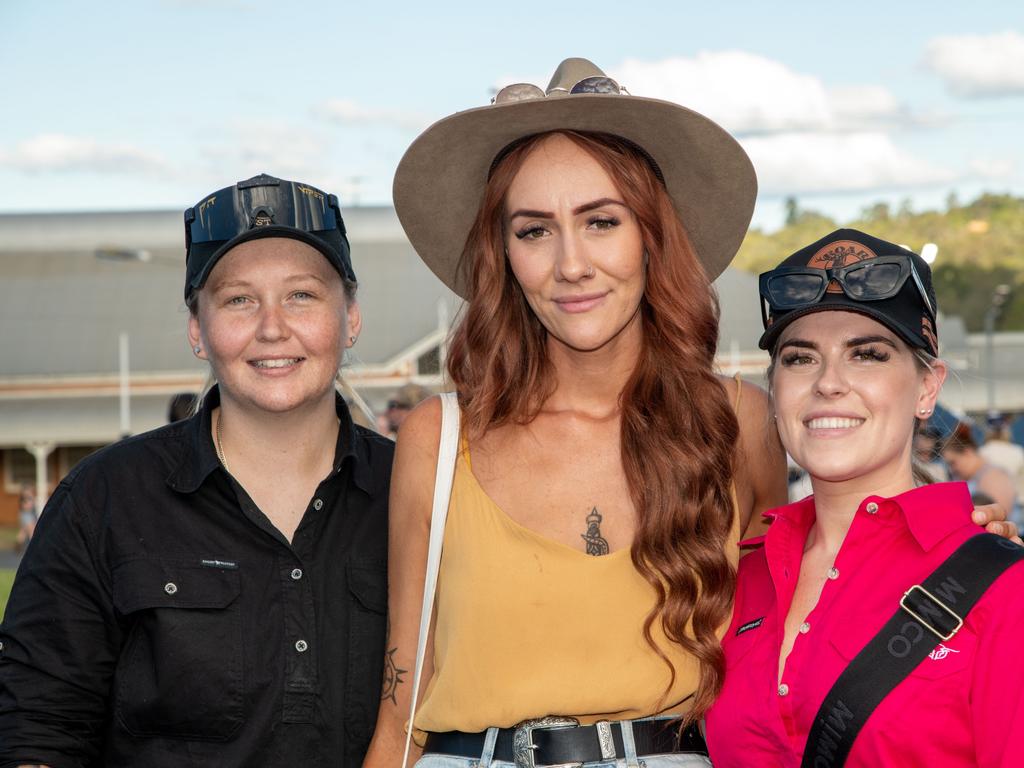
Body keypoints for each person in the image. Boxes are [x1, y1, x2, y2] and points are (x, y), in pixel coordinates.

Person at [365, 56, 791, 768]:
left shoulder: (739, 423)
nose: (571, 264)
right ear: (502, 255)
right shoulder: (439, 439)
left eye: (600, 221)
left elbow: (797, 634)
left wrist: (958, 553)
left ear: (652, 236)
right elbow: (401, 706)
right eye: (534, 230)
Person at [0, 174, 393, 767]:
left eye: (302, 295)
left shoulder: (417, 492)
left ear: (351, 318)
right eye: (238, 299)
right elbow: (37, 723)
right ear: (197, 331)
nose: (272, 327)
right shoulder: (104, 496)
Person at [705, 229, 1024, 766]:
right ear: (775, 389)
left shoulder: (1002, 587)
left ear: (927, 389)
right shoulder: (736, 575)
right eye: (800, 359)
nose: (829, 383)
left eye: (867, 355)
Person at [942, 423, 1021, 525]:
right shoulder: (974, 477)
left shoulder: (993, 477)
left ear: (968, 452)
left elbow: (1001, 518)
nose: (951, 469)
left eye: (953, 463)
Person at [14, 485, 37, 552]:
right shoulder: (25, 499)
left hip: (27, 516)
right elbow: (26, 507)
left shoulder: (30, 498)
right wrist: (31, 504)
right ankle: (32, 545)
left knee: (23, 531)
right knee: (31, 530)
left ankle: (18, 543)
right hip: (26, 516)